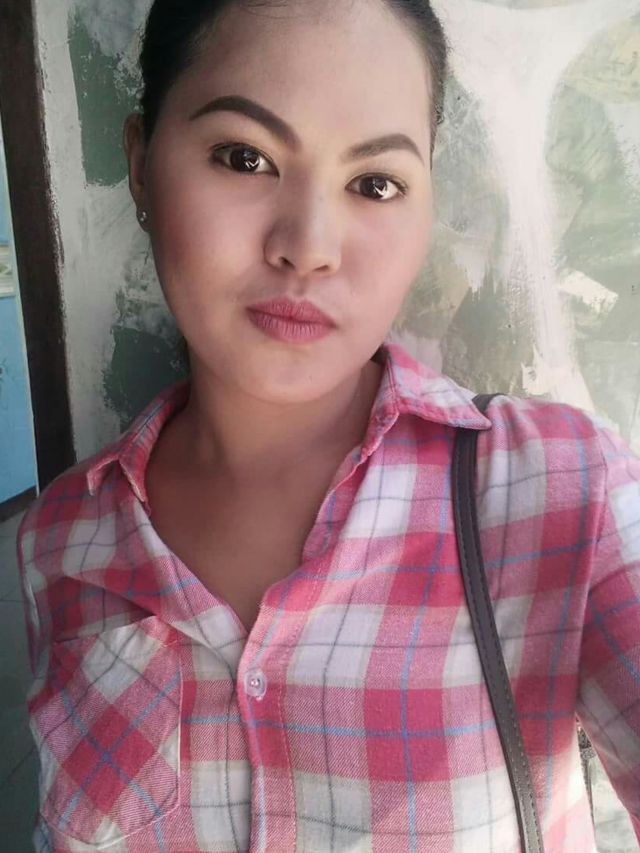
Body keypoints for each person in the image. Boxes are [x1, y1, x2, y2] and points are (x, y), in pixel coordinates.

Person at [16, 0, 640, 851]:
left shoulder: (561, 492)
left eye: (375, 183)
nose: (308, 245)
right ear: (139, 165)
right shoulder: (60, 538)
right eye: (244, 157)